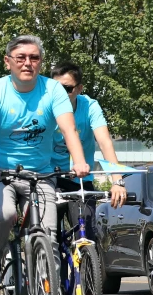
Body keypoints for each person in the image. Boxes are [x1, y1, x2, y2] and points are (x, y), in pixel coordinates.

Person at [0, 35, 90, 289]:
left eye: (34, 58)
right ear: (8, 62)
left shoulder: (53, 90)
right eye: (21, 58)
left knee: (48, 237)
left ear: (40, 62)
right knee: (5, 215)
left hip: (40, 175)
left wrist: (79, 162)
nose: (28, 63)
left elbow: (69, 129)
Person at [50, 62, 127, 209]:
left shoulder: (90, 107)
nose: (60, 94)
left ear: (79, 89)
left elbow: (105, 142)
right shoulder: (45, 106)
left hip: (80, 177)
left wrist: (117, 181)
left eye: (67, 89)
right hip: (50, 177)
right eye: (55, 89)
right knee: (49, 226)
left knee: (85, 227)